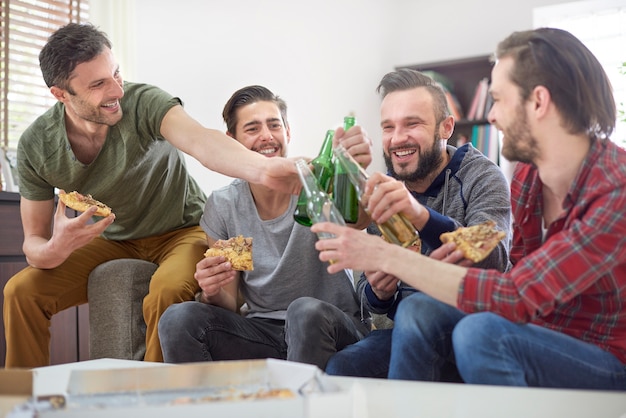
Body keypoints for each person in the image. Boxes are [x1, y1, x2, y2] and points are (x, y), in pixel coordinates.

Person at [312, 27, 626, 391]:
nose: (491, 116)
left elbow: (514, 292)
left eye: (499, 99)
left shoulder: (614, 192)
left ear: (538, 102)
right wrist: (409, 235)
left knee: (481, 334)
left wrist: (390, 255)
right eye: (388, 127)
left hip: (604, 356)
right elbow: (509, 270)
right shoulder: (527, 176)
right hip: (535, 332)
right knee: (376, 344)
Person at [3, 23, 300, 368]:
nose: (117, 90)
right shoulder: (37, 146)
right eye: (99, 84)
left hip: (181, 230)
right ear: (61, 94)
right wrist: (57, 247)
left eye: (116, 73)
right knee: (19, 292)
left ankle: (154, 398)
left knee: (168, 289)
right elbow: (34, 244)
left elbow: (201, 141)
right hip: (114, 238)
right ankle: (21, 401)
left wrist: (265, 170)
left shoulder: (143, 101)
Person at [157, 85, 372, 369]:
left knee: (304, 310)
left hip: (330, 324)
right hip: (265, 333)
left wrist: (354, 170)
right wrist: (212, 290)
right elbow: (229, 303)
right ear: (230, 141)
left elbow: (358, 220)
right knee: (177, 318)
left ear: (288, 132)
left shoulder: (318, 182)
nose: (267, 136)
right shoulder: (224, 205)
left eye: (274, 125)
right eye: (253, 128)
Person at [324, 68, 511, 379]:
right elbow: (369, 306)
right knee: (343, 367)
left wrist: (420, 216)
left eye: (412, 124)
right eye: (388, 127)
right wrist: (378, 294)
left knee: (418, 309)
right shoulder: (380, 190)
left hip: (469, 327)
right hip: (403, 331)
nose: (398, 139)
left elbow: (493, 256)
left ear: (446, 127)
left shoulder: (482, 175)